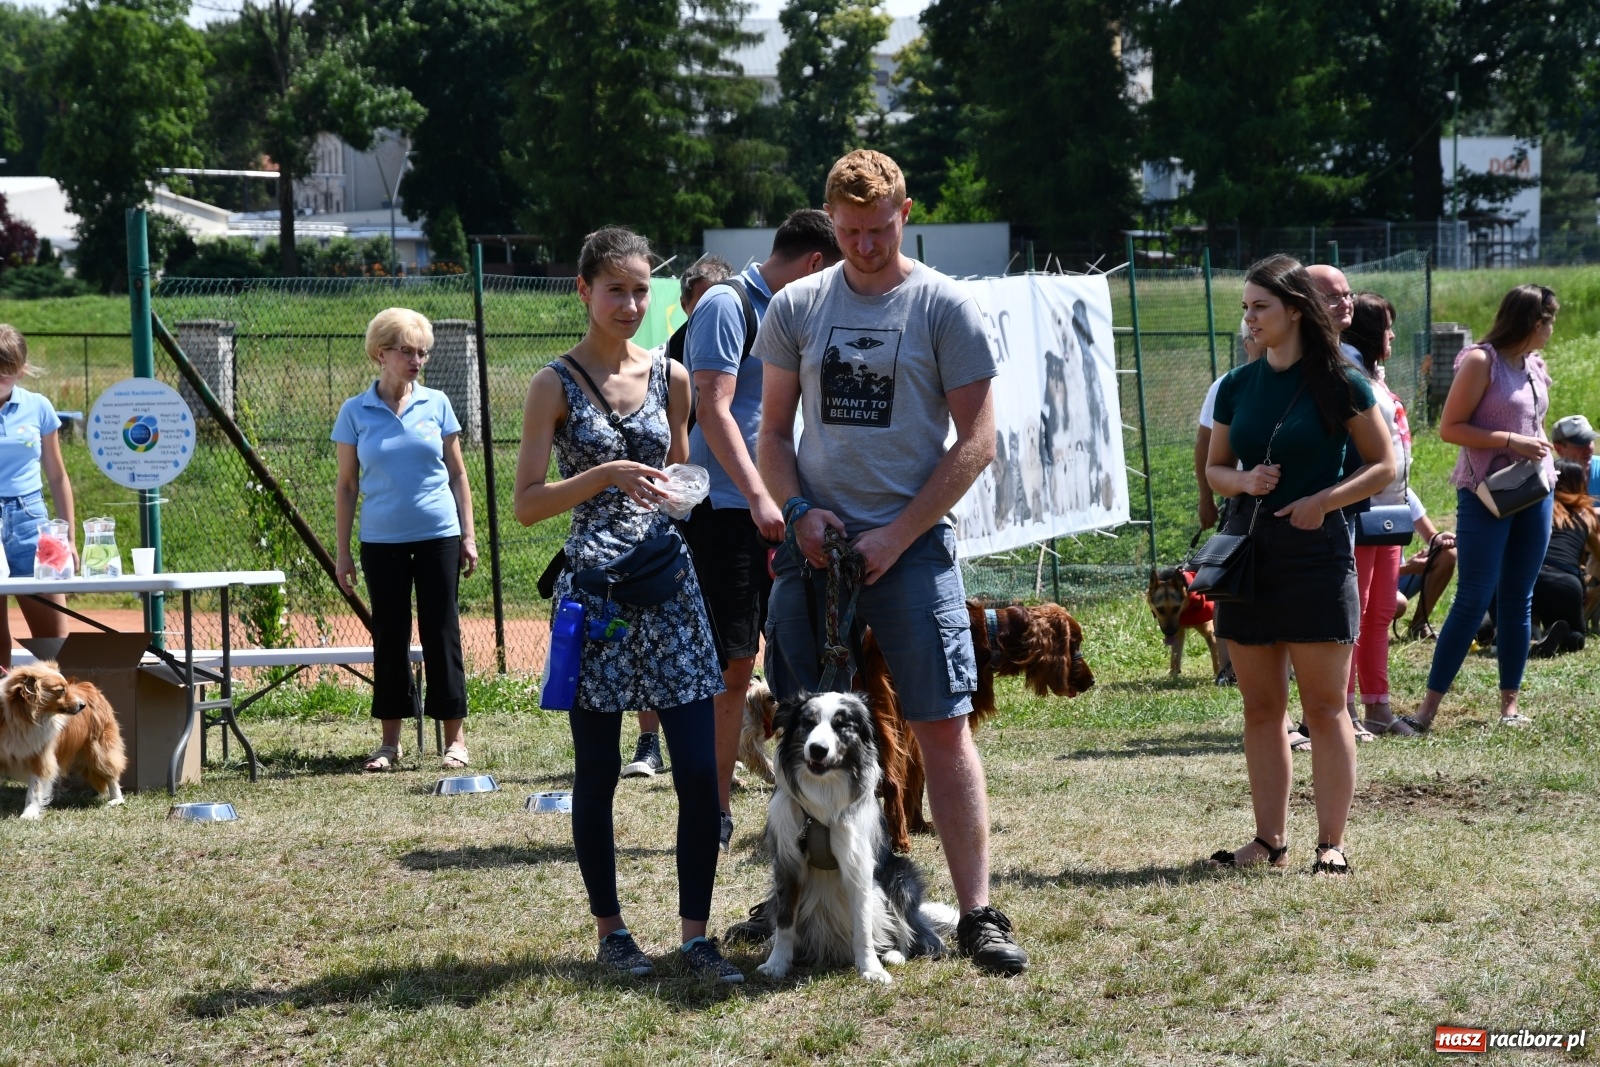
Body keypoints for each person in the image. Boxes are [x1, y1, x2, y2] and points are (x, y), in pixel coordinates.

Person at [755, 149, 1028, 974]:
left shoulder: (945, 305)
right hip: (815, 553)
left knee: (942, 726)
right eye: (849, 232)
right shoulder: (798, 305)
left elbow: (978, 441)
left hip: (912, 553)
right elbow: (773, 435)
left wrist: (898, 534)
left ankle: (977, 913)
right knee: (801, 732)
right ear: (830, 222)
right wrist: (799, 512)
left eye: (879, 229)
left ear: (906, 213)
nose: (866, 246)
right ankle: (796, 905)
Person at [511, 226, 739, 982]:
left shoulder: (672, 377)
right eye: (616, 290)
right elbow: (528, 504)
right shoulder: (552, 384)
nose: (631, 305)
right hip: (595, 596)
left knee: (699, 771)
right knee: (598, 770)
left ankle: (696, 936)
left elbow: (679, 474)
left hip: (669, 588)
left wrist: (681, 491)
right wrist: (606, 473)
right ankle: (612, 931)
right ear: (584, 290)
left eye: (643, 291)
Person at [1203, 255, 1394, 876]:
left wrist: (1323, 501)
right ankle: (1269, 841)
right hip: (1248, 553)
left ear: (1293, 310)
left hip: (1317, 554)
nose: (1250, 319)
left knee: (1325, 707)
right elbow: (1215, 468)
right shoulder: (1236, 385)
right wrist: (1243, 480)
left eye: (1260, 307)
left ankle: (1330, 844)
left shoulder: (1341, 382)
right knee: (1261, 709)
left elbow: (1384, 464)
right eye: (1245, 308)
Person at [681, 209, 840, 848]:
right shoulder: (726, 303)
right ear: (814, 264)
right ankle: (714, 811)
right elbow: (712, 408)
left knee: (790, 656)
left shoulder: (789, 310)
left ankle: (802, 804)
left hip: (781, 512)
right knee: (732, 666)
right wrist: (757, 496)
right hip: (728, 513)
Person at [1407, 285, 1559, 732]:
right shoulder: (1480, 361)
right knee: (1473, 597)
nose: (1552, 329)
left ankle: (1510, 705)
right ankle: (1426, 711)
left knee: (1518, 597)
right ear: (1534, 321)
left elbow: (1534, 421)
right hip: (1485, 493)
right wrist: (1511, 441)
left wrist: (1538, 448)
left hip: (1534, 490)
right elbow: (1450, 428)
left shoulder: (1533, 364)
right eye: (1550, 320)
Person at [333, 308, 477, 772]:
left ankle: (455, 741)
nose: (417, 360)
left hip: (439, 535)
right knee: (390, 636)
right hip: (381, 541)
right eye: (407, 351)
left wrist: (469, 535)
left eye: (422, 353)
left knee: (442, 631)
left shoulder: (438, 404)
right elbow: (347, 486)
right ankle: (389, 744)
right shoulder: (354, 412)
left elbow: (458, 474)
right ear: (381, 354)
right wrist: (342, 553)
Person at [622, 253, 734, 780]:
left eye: (722, 298)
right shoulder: (664, 359)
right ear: (687, 302)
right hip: (660, 523)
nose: (713, 310)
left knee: (719, 643)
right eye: (703, 300)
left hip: (724, 509)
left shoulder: (744, 339)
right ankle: (649, 741)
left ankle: (724, 748)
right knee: (643, 635)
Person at [1341, 293, 1425, 737]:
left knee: (1379, 612)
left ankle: (1378, 706)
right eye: (1388, 327)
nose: (1392, 335)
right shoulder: (1346, 372)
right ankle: (1345, 711)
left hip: (1390, 511)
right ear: (1372, 331)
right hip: (1360, 510)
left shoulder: (1372, 373)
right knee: (1354, 615)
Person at [0, 324, 75, 668]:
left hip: (31, 520)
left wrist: (69, 537)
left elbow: (57, 475)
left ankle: (55, 701)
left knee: (54, 642)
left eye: (5, 375)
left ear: (21, 371)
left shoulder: (39, 406)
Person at [1527, 459, 1599, 656]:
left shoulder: (1534, 506)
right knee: (1576, 638)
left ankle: (1528, 631)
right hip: (1565, 583)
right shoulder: (1586, 515)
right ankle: (1565, 636)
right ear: (1581, 483)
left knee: (1522, 607)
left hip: (1529, 577)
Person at [1550, 414, 1599, 500]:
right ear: (1559, 449)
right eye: (1581, 444)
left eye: (1590, 441)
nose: (1588, 449)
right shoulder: (1551, 478)